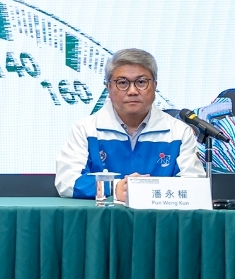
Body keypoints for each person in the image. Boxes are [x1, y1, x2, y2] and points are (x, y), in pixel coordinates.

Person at [56, 48, 204, 200]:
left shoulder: (179, 132)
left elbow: (194, 184)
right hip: (104, 215)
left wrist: (145, 189)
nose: (132, 91)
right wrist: (114, 187)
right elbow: (66, 181)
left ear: (155, 86)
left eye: (141, 82)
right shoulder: (86, 129)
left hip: (159, 215)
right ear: (108, 88)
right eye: (122, 83)